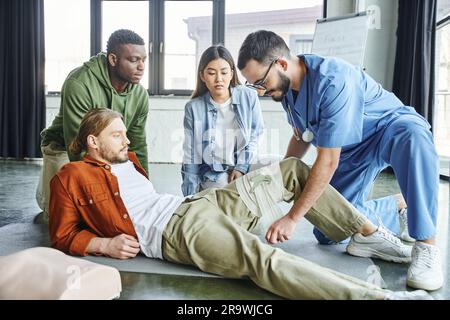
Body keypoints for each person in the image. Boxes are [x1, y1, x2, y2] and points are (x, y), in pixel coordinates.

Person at [48, 108, 431, 300]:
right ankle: (377, 298)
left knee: (293, 169)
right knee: (264, 259)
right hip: (179, 232)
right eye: (116, 136)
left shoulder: (129, 162)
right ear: (93, 142)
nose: (126, 141)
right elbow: (63, 233)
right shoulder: (70, 177)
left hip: (202, 202)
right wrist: (103, 244)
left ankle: (364, 233)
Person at [237, 30, 442, 291]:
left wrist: (292, 217)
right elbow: (303, 136)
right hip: (353, 149)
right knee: (329, 232)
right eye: (254, 85)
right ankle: (397, 206)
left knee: (414, 136)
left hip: (389, 127)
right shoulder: (286, 90)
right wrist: (279, 178)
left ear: (281, 64)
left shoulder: (333, 79)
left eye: (261, 82)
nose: (261, 91)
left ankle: (426, 245)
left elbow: (328, 161)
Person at [36, 29, 150, 220]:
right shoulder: (79, 83)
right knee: (68, 216)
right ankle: (44, 192)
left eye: (144, 60)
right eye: (133, 60)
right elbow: (76, 148)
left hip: (108, 151)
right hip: (65, 147)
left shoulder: (140, 95)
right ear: (113, 59)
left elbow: (137, 145)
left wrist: (145, 188)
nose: (141, 67)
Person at [182, 45, 273, 196]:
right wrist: (189, 197)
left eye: (224, 72)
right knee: (228, 195)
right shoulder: (193, 108)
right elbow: (191, 155)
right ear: (202, 76)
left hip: (247, 162)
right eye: (211, 73)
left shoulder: (249, 96)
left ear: (231, 73)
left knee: (279, 166)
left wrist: (241, 168)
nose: (219, 79)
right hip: (215, 172)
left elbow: (255, 135)